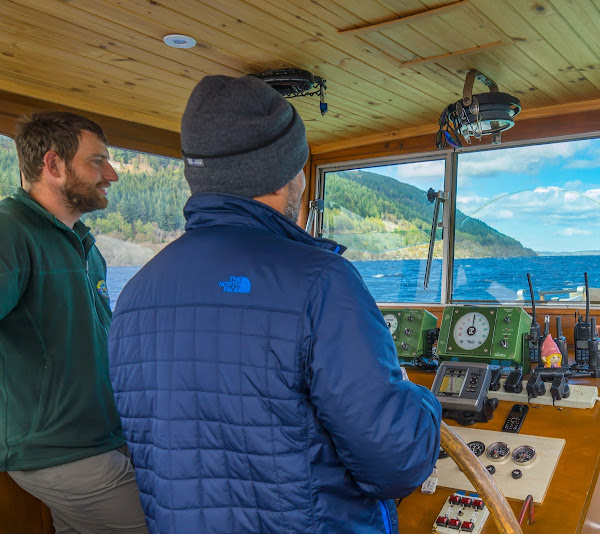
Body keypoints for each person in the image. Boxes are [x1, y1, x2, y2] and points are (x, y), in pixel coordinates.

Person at [108, 75, 442, 534]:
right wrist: (421, 398)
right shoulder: (322, 283)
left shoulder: (135, 295)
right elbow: (397, 463)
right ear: (287, 175)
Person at [0, 111, 147, 533]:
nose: (113, 174)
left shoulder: (83, 244)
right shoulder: (10, 231)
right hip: (57, 450)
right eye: (97, 161)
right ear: (53, 165)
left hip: (93, 441)